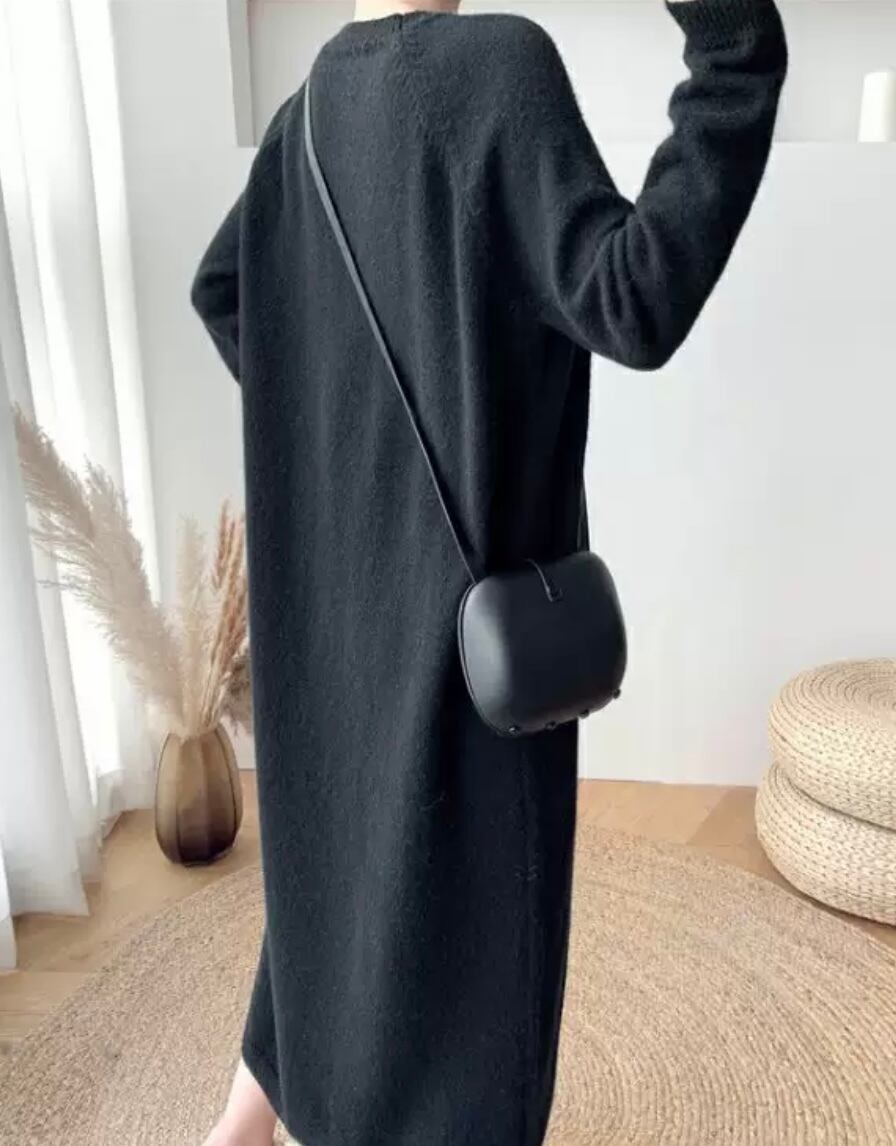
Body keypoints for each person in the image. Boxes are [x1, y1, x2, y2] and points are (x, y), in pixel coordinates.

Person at [192, 0, 787, 1142]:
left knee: (343, 864)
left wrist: (339, 448)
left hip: (332, 601)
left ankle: (245, 1121)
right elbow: (633, 298)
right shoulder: (497, 69)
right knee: (481, 961)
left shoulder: (302, 115)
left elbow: (227, 292)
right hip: (467, 628)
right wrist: (734, 46)